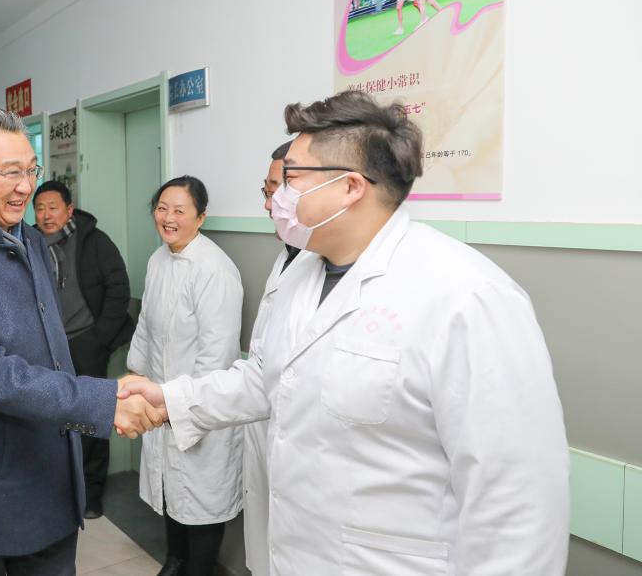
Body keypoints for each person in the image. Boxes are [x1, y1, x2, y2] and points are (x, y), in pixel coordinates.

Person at [120, 91, 570, 575]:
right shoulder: (301, 273)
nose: (277, 197)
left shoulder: (467, 296)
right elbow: (267, 378)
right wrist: (171, 398)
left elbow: (517, 501)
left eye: (291, 179)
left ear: (350, 187)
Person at [0, 107, 163, 575]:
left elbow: (50, 352)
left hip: (50, 476)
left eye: (31, 171)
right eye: (11, 172)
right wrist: (101, 402)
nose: (26, 187)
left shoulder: (32, 240)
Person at [126, 175, 244, 576]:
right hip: (161, 399)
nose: (168, 218)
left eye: (179, 210)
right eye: (162, 208)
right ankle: (175, 561)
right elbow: (146, 324)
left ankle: (199, 569)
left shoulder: (214, 269)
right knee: (170, 489)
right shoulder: (158, 260)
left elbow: (217, 352)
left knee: (201, 497)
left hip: (199, 403)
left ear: (201, 217)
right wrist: (137, 381)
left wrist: (182, 404)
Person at [32, 180, 134, 520]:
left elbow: (118, 286)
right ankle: (57, 488)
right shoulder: (28, 243)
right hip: (47, 346)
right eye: (40, 208)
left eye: (53, 207)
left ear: (69, 210)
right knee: (51, 415)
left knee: (91, 416)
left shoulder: (93, 241)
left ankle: (92, 492)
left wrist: (100, 337)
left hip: (87, 342)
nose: (46, 215)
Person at [243, 141, 310, 576]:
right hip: (264, 427)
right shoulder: (289, 255)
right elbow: (261, 369)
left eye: (279, 190)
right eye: (267, 192)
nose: (271, 204)